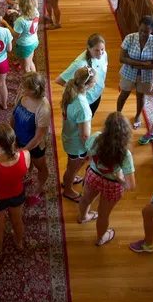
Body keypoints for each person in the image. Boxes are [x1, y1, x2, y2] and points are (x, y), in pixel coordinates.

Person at [78, 112, 135, 246]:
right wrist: (119, 178)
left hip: (93, 176)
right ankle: (100, 239)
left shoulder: (95, 137)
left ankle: (83, 217)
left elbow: (90, 156)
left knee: (86, 199)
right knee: (103, 215)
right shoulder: (125, 154)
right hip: (113, 185)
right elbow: (130, 186)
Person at [0, 123, 30, 255]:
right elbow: (25, 171)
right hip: (17, 194)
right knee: (17, 221)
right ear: (14, 139)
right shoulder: (26, 155)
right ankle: (19, 243)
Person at [11, 72, 51, 206]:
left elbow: (39, 136)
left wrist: (24, 151)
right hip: (20, 139)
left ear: (34, 90)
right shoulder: (22, 95)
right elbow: (14, 114)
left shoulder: (43, 108)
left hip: (35, 146)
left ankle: (38, 191)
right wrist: (13, 136)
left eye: (24, 87)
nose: (21, 89)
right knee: (26, 164)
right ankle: (28, 175)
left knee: (41, 167)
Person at [116, 15, 153, 129]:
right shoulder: (130, 38)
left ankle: (137, 116)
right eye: (141, 30)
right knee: (124, 94)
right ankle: (118, 115)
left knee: (140, 96)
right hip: (128, 72)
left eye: (146, 32)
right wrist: (143, 63)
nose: (142, 33)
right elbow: (121, 58)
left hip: (145, 75)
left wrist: (132, 63)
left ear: (152, 30)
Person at [60, 67, 96, 202]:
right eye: (94, 82)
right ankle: (68, 189)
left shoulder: (69, 90)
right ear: (88, 85)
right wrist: (89, 150)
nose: (95, 84)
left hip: (68, 136)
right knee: (72, 167)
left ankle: (70, 178)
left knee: (72, 165)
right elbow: (85, 135)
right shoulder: (83, 108)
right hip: (76, 144)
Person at [56, 33, 108, 116]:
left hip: (96, 96)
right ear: (89, 48)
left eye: (102, 49)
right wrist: (77, 89)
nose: (100, 53)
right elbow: (59, 80)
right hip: (84, 101)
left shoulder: (104, 54)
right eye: (96, 50)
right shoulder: (79, 64)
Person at [8, 0, 40, 73]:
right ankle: (34, 76)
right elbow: (26, 17)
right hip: (34, 41)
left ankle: (29, 83)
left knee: (25, 69)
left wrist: (6, 24)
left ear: (21, 5)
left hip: (24, 45)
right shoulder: (35, 11)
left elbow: (15, 35)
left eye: (17, 2)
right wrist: (16, 12)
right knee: (30, 62)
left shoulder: (20, 21)